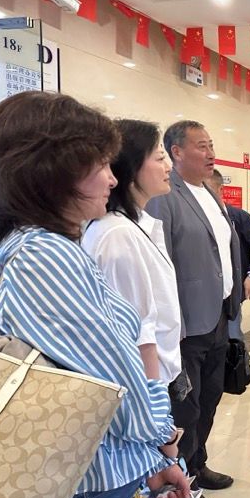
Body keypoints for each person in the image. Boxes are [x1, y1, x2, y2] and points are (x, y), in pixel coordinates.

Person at [0, 92, 189, 498]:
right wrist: (164, 440)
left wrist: (149, 460)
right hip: (88, 480)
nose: (113, 179)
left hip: (93, 467)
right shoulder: (44, 254)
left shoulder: (28, 243)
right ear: (54, 173)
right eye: (100, 165)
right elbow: (115, 381)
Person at [146, 121, 241, 498]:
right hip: (187, 325)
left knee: (211, 397)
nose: (211, 153)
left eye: (212, 145)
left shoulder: (209, 194)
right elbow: (162, 264)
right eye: (202, 146)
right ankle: (184, 482)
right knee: (186, 407)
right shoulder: (166, 197)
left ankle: (198, 464)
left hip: (218, 317)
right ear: (177, 152)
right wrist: (175, 324)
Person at [82, 119, 182, 386]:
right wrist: (152, 401)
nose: (168, 166)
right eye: (159, 158)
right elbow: (137, 331)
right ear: (130, 166)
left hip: (158, 376)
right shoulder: (118, 234)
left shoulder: (134, 225)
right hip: (147, 384)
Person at [208, 168, 250, 379]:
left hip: (232, 293)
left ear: (220, 190)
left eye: (209, 190)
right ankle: (217, 378)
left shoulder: (238, 217)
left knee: (233, 334)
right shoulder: (198, 218)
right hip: (208, 293)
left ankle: (241, 372)